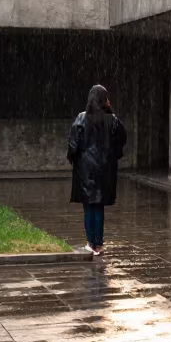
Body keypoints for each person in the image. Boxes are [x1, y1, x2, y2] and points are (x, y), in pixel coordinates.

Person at [67, 85, 127, 257]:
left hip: (85, 167)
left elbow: (73, 144)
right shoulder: (112, 120)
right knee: (99, 205)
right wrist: (112, 155)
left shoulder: (81, 118)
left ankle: (90, 243)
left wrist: (74, 158)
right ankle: (98, 244)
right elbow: (122, 139)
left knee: (88, 206)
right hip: (104, 167)